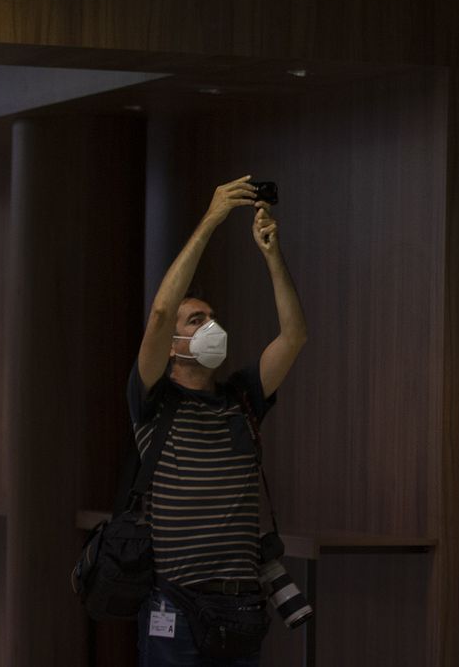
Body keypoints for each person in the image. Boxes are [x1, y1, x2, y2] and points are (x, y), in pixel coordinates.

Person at [130, 176, 309, 666]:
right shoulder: (153, 399)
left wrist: (272, 255)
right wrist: (211, 220)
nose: (210, 326)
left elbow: (293, 336)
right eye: (196, 321)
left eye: (212, 317)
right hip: (175, 602)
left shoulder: (241, 398)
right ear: (172, 344)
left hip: (241, 603)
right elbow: (164, 309)